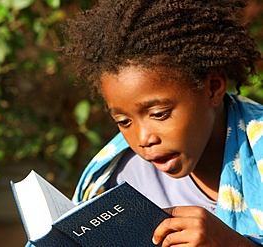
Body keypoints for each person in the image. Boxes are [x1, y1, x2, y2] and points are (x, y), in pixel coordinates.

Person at [60, 0, 263, 246]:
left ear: (212, 88)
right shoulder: (120, 179)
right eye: (124, 121)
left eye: (159, 114)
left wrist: (232, 243)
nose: (143, 138)